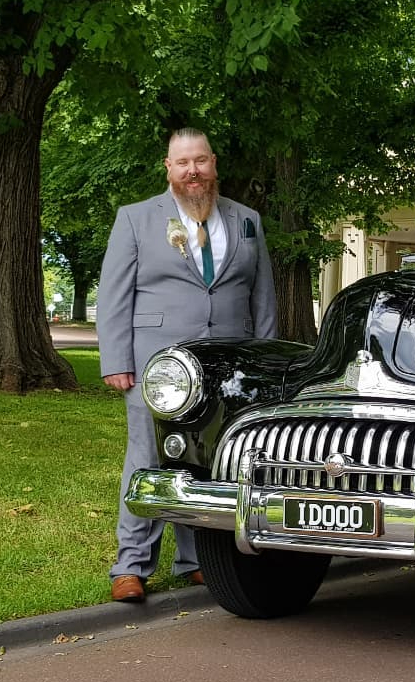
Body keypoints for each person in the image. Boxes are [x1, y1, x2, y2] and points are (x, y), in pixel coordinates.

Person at [97, 127, 277, 603]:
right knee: (149, 459)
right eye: (183, 163)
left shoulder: (246, 220)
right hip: (157, 368)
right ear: (169, 168)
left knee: (215, 461)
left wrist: (264, 358)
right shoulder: (135, 219)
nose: (193, 171)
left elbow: (262, 295)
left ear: (214, 164)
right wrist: (116, 360)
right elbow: (114, 295)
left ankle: (198, 561)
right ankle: (131, 565)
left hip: (230, 366)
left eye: (200, 161)